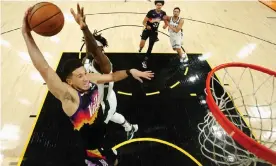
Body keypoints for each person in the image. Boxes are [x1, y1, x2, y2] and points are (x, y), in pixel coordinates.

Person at [22, 4, 154, 166]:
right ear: (69, 82)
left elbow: (110, 73)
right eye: (80, 76)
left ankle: (123, 132)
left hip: (103, 126)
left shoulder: (92, 75)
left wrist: (129, 71)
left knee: (114, 154)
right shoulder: (68, 95)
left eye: (84, 73)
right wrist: (26, 34)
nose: (86, 78)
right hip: (93, 150)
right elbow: (44, 67)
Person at [79, 29, 138, 140]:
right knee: (112, 116)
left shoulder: (104, 64)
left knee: (98, 129)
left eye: (95, 47)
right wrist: (84, 31)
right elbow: (90, 48)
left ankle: (102, 148)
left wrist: (84, 28)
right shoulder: (87, 58)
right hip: (96, 100)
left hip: (105, 103)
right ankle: (129, 127)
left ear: (101, 49)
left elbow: (95, 50)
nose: (91, 48)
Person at [138, 0, 168, 68]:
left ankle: (145, 60)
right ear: (155, 5)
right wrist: (146, 26)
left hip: (154, 32)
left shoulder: (163, 13)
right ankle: (140, 48)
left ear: (162, 5)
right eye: (157, 5)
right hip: (147, 30)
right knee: (141, 44)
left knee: (150, 47)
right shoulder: (151, 12)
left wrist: (165, 26)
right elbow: (143, 22)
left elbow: (166, 22)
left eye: (160, 5)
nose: (159, 6)